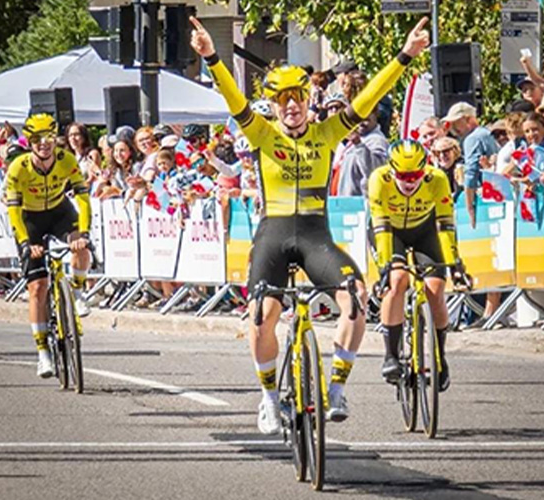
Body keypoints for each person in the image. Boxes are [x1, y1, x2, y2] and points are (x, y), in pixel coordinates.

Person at [189, 15, 431, 433]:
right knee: (262, 317)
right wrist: (212, 56)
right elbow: (233, 99)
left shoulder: (328, 132)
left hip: (316, 234)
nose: (291, 105)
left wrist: (404, 56)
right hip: (274, 235)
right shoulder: (264, 134)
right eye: (282, 100)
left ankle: (336, 389)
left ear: (307, 99)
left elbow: (371, 95)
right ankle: (267, 399)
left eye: (297, 96)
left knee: (355, 298)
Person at [369, 140, 462, 391]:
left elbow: (446, 224)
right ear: (391, 170)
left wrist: (454, 262)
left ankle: (440, 356)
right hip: (390, 232)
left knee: (435, 289)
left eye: (415, 175)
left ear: (425, 169)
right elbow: (381, 228)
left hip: (426, 230)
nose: (410, 182)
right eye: (403, 175)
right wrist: (385, 268)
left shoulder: (438, 179)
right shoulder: (379, 180)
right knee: (398, 281)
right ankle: (390, 354)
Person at [5, 114, 93, 379]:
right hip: (29, 219)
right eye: (37, 140)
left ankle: (76, 291)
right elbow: (13, 211)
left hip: (58, 211)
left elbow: (84, 199)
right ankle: (42, 351)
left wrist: (84, 233)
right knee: (37, 287)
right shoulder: (18, 168)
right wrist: (24, 243)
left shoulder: (67, 161)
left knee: (81, 246)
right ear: (29, 143)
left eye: (49, 138)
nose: (44, 144)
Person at [442, 102, 498, 230]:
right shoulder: (486, 133)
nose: (453, 128)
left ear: (468, 119)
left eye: (456, 123)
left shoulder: (472, 139)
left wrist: (469, 207)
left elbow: (471, 173)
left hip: (482, 198)